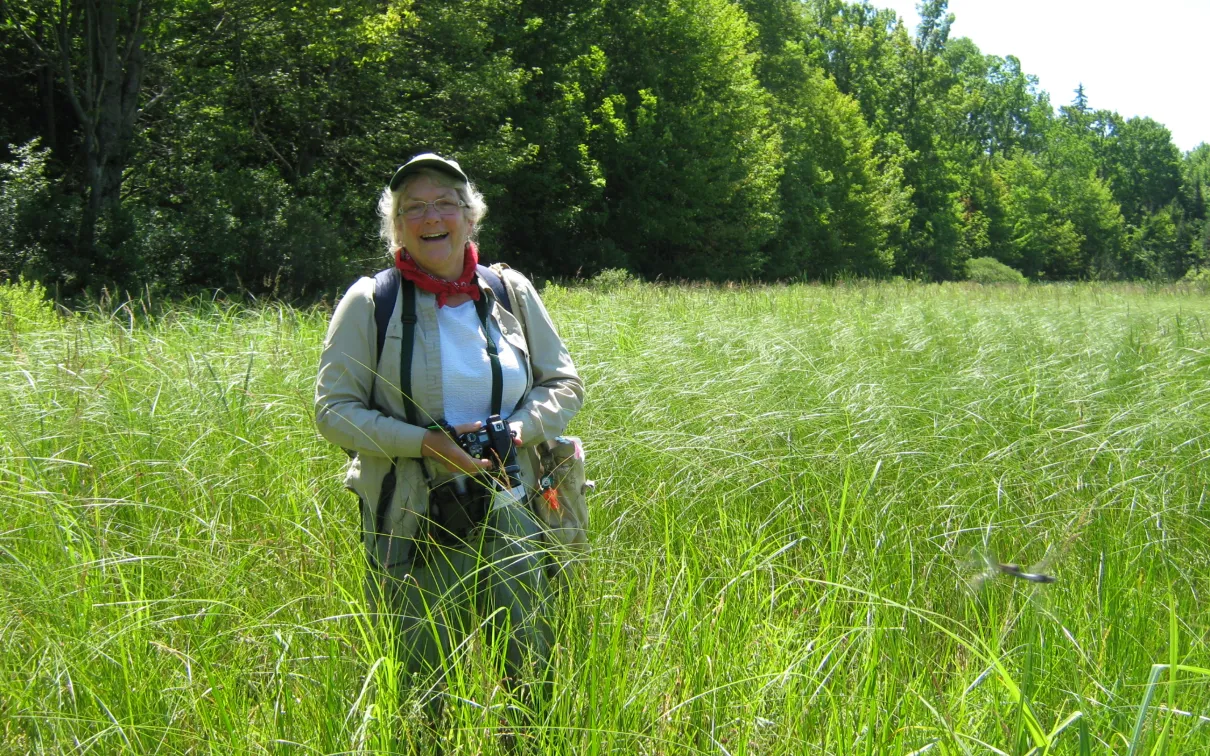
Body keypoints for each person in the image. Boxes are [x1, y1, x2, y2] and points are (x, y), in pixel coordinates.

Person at [313, 153, 584, 716]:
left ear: (469, 215)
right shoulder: (371, 302)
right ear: (397, 225)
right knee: (423, 685)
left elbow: (563, 383)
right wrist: (425, 444)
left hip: (517, 506)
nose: (431, 216)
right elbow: (332, 412)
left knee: (532, 674)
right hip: (416, 518)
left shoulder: (509, 292)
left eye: (445, 202)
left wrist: (515, 429)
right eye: (414, 207)